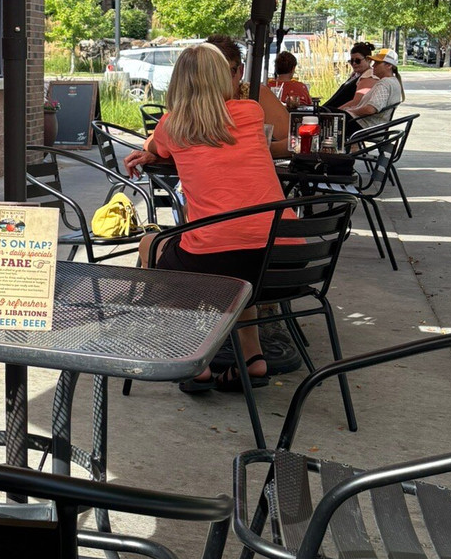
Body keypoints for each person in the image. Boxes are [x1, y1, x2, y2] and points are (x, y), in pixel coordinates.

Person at [123, 43, 293, 393]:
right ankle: (252, 358)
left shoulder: (173, 125)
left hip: (220, 259)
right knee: (238, 263)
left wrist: (151, 153)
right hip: (286, 261)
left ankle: (188, 353)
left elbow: (154, 146)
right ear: (223, 78)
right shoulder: (250, 111)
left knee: (151, 245)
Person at [205, 34, 290, 157]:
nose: (220, 80)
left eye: (228, 72)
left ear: (241, 71)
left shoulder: (255, 94)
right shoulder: (190, 103)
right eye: (213, 73)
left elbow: (294, 141)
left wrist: (263, 148)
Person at [340, 47, 405, 128]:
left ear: (388, 65)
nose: (373, 65)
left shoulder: (384, 83)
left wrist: (350, 111)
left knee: (329, 114)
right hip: (368, 124)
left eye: (377, 63)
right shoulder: (393, 81)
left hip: (364, 126)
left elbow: (370, 109)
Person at [322, 42, 378, 110]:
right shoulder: (357, 75)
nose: (354, 63)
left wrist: (335, 112)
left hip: (337, 113)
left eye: (357, 61)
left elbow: (357, 102)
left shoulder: (368, 76)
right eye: (351, 61)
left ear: (368, 60)